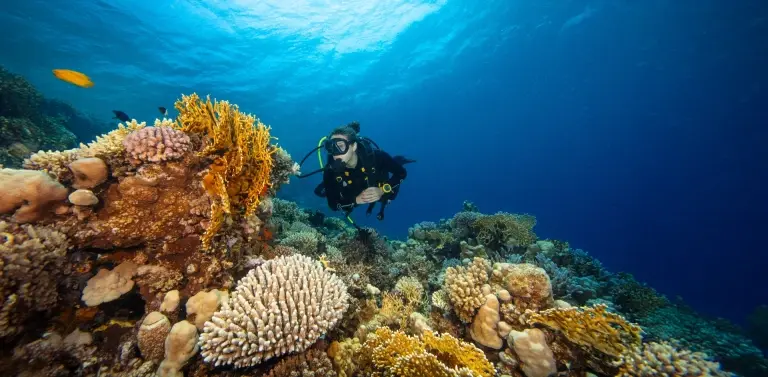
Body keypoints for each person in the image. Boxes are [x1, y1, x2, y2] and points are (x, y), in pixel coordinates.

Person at [307, 121, 414, 223]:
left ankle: (398, 160)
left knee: (391, 197)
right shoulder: (330, 170)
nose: (336, 154)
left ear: (354, 146)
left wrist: (382, 190)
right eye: (331, 148)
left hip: (378, 183)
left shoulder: (377, 156)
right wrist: (355, 200)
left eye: (340, 146)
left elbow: (401, 173)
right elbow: (333, 205)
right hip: (355, 192)